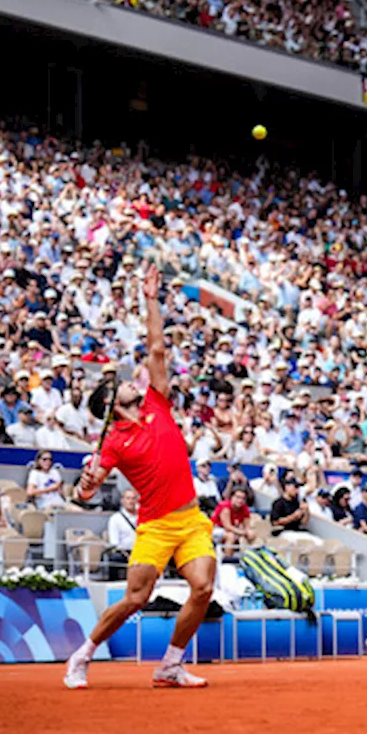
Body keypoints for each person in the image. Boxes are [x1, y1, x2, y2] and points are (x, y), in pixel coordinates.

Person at [64, 266, 215, 690]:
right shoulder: (112, 441)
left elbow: (157, 349)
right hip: (155, 524)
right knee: (136, 598)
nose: (133, 381)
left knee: (202, 588)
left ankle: (170, 663)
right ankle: (82, 655)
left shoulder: (158, 402)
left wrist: (151, 299)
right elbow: (90, 486)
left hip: (191, 519)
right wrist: (87, 485)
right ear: (111, 405)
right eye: (121, 385)